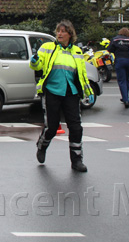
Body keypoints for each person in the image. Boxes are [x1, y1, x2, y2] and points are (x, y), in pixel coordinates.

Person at [30, 20, 94, 172]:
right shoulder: (48, 48)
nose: (59, 34)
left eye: (63, 31)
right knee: (51, 127)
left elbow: (82, 75)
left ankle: (77, 160)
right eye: (58, 31)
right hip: (52, 91)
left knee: (76, 128)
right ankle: (42, 146)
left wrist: (88, 92)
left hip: (71, 93)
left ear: (70, 35)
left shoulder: (77, 52)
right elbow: (37, 66)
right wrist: (34, 62)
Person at [108, 27, 129, 108]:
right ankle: (126, 97)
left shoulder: (116, 39)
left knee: (121, 81)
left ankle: (125, 99)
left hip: (120, 61)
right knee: (126, 79)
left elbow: (109, 49)